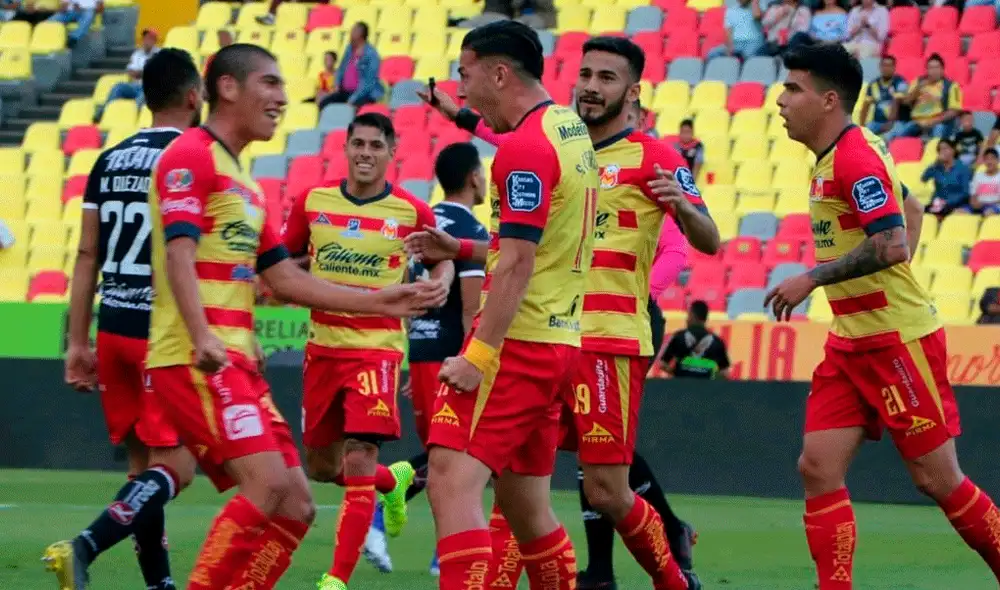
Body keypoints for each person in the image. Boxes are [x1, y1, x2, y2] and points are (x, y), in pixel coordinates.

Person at [142, 43, 444, 590]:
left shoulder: (248, 185)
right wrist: (203, 332)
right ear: (227, 88)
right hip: (198, 356)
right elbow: (177, 253)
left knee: (299, 503)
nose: (284, 97)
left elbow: (282, 279)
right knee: (266, 487)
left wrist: (382, 301)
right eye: (271, 83)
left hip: (244, 359)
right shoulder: (191, 156)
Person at [772, 42, 1000, 589]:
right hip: (851, 342)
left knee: (937, 478)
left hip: (897, 342)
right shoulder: (840, 154)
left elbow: (893, 242)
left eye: (793, 89)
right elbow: (911, 208)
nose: (781, 100)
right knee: (817, 467)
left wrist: (812, 278)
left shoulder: (853, 156)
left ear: (829, 101)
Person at [410, 20, 597, 590]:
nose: (461, 89)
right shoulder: (568, 128)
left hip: (515, 343)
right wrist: (464, 246)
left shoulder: (525, 148)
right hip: (559, 341)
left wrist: (479, 354)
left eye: (465, 75)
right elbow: (537, 242)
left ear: (498, 72)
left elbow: (518, 262)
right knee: (525, 509)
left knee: (447, 478)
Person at [42, 47, 203, 590]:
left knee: (140, 475)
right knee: (176, 469)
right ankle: (83, 545)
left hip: (113, 325)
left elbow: (86, 256)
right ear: (192, 95)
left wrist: (76, 341)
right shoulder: (193, 155)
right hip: (162, 333)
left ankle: (159, 585)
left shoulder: (108, 159)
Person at [282, 111, 451, 590]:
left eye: (376, 146)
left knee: (357, 457)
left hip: (377, 350)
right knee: (320, 467)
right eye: (358, 144)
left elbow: (444, 261)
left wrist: (439, 284)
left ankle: (336, 578)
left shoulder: (412, 212)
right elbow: (284, 260)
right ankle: (390, 481)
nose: (365, 153)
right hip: (322, 349)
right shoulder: (311, 203)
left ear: (392, 153)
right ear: (345, 147)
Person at [362, 141, 490, 577]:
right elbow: (472, 307)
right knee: (464, 458)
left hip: (419, 354)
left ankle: (441, 555)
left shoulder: (423, 223)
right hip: (455, 359)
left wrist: (412, 353)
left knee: (449, 461)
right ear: (474, 177)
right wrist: (472, 360)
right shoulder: (468, 231)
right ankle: (381, 516)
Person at [887, 53, 962, 141]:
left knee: (937, 135)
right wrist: (918, 88)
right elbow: (906, 101)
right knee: (893, 135)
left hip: (937, 122)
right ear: (927, 70)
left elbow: (954, 111)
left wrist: (934, 121)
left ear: (942, 69)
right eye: (931, 68)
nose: (934, 71)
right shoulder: (918, 81)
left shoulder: (951, 86)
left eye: (936, 68)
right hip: (916, 122)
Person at [660, 300, 731, 379]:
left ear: (692, 315)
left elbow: (662, 364)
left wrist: (677, 374)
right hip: (706, 389)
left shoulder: (679, 337)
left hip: (681, 388)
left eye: (688, 315)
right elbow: (725, 373)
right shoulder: (717, 341)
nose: (686, 319)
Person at [320, 22, 384, 109]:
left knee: (352, 109)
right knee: (324, 103)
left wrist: (353, 99)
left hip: (364, 95)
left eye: (353, 31)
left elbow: (368, 83)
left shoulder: (372, 55)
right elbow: (341, 69)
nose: (350, 34)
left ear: (360, 36)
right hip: (345, 92)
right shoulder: (349, 48)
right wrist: (337, 84)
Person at [102, 29, 159, 116]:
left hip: (149, 88)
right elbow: (131, 73)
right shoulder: (137, 54)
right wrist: (144, 72)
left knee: (145, 95)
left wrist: (142, 73)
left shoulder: (160, 54)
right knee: (118, 87)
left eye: (149, 39)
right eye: (145, 38)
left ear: (154, 41)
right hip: (135, 86)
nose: (146, 41)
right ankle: (103, 112)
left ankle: (132, 118)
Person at [858, 56, 908, 137]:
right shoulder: (873, 84)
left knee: (887, 137)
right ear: (880, 67)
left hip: (896, 122)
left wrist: (890, 122)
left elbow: (897, 102)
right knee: (863, 136)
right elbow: (865, 107)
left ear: (894, 67)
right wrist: (862, 127)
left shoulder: (900, 82)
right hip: (877, 122)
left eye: (889, 66)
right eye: (884, 65)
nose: (886, 68)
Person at [922, 139, 972, 217]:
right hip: (937, 204)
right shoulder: (937, 168)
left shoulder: (963, 168)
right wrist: (935, 163)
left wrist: (947, 202)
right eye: (940, 150)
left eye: (945, 148)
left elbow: (965, 192)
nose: (942, 152)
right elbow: (924, 178)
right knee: (916, 212)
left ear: (953, 150)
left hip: (956, 204)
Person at [969, 147, 1000, 215]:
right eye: (987, 159)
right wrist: (974, 203)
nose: (989, 162)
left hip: (995, 206)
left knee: (988, 212)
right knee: (959, 212)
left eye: (992, 158)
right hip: (978, 206)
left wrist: (985, 203)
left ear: (998, 160)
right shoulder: (978, 175)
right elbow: (973, 195)